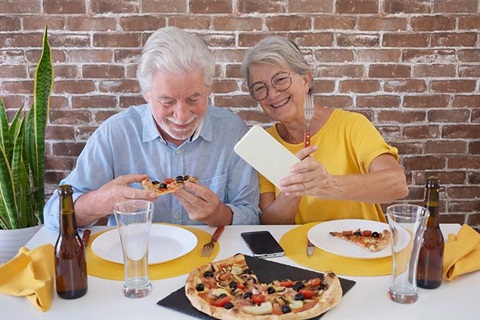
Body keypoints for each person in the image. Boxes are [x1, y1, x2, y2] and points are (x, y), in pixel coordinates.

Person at [44, 27, 261, 230]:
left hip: (209, 261)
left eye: (194, 98)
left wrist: (219, 214)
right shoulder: (115, 134)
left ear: (208, 90)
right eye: (167, 101)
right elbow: (53, 215)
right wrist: (101, 202)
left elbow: (252, 215)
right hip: (135, 260)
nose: (182, 115)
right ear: (146, 94)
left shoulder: (233, 132)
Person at [241, 36, 409, 225]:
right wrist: (295, 190)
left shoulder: (351, 125)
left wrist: (329, 184)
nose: (272, 94)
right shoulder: (266, 144)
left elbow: (397, 185)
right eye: (260, 88)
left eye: (280, 80)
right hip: (303, 250)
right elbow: (271, 224)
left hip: (364, 245)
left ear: (306, 80)